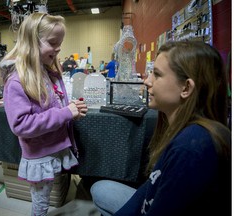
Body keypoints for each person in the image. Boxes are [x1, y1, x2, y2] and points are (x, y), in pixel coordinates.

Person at [90, 41, 231, 216]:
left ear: (186, 87)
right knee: (101, 188)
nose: (147, 81)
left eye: (157, 74)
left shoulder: (191, 148)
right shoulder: (186, 131)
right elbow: (150, 186)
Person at [0, 12, 88, 216]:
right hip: (40, 154)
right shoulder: (17, 81)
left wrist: (71, 111)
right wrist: (64, 114)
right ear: (31, 43)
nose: (59, 48)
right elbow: (21, 125)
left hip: (50, 148)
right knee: (41, 204)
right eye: (53, 42)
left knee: (46, 196)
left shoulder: (44, 72)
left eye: (60, 42)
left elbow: (50, 105)